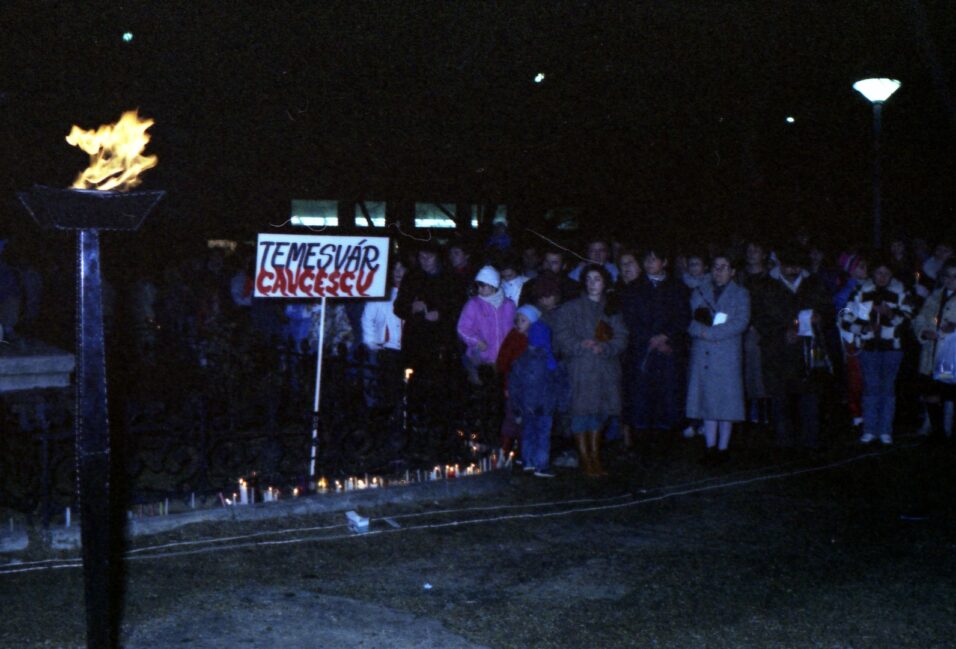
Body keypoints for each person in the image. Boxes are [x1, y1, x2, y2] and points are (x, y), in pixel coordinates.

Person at [751, 245, 835, 450]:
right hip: (777, 354)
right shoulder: (765, 286)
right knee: (780, 400)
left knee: (810, 399)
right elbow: (758, 319)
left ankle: (810, 442)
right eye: (788, 267)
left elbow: (829, 311)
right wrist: (781, 334)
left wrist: (820, 318)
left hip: (809, 351)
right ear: (780, 263)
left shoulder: (814, 283)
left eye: (797, 267)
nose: (793, 271)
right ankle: (784, 442)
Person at [553, 265, 628, 476]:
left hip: (605, 370)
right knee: (580, 414)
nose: (593, 283)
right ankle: (585, 458)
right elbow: (562, 334)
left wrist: (605, 347)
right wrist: (580, 345)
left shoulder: (611, 309)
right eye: (589, 279)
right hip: (580, 369)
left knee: (599, 413)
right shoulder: (571, 308)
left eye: (597, 279)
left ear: (605, 283)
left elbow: (622, 337)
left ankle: (595, 456)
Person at [620, 247, 690, 452]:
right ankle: (642, 442)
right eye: (647, 260)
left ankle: (667, 441)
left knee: (668, 396)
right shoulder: (633, 288)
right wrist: (649, 338)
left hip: (668, 350)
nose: (650, 264)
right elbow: (630, 319)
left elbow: (683, 317)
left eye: (654, 259)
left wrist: (666, 337)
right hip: (642, 350)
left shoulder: (677, 288)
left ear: (664, 262)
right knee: (642, 397)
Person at [839, 257, 915, 444]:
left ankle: (885, 430)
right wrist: (863, 328)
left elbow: (909, 317)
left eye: (886, 273)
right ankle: (870, 429)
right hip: (868, 347)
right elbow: (845, 316)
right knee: (870, 387)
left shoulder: (900, 290)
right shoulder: (861, 289)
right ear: (873, 273)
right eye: (879, 273)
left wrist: (890, 315)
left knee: (887, 388)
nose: (882, 277)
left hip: (892, 348)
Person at [686, 254, 750, 462]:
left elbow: (740, 322)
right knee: (707, 402)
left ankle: (723, 448)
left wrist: (712, 334)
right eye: (715, 267)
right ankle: (710, 446)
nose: (718, 271)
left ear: (732, 272)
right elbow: (690, 319)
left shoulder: (741, 294)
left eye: (724, 267)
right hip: (703, 354)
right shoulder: (699, 292)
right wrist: (700, 332)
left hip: (726, 355)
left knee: (726, 402)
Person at [394, 241, 463, 403]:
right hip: (415, 342)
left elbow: (460, 308)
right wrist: (411, 307)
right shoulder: (412, 277)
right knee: (414, 387)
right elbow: (398, 308)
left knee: (439, 389)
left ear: (437, 258)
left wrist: (441, 315)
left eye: (429, 257)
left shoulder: (451, 278)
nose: (424, 260)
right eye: (421, 256)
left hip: (440, 343)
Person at [509, 320, 569, 477]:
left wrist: (518, 407)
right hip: (544, 405)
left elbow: (514, 385)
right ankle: (541, 466)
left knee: (528, 433)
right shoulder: (550, 360)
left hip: (526, 405)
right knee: (542, 435)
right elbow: (558, 384)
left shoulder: (521, 360)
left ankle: (528, 461)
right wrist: (561, 404)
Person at [911, 259, 956, 442]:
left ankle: (948, 430)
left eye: (955, 276)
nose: (951, 280)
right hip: (932, 352)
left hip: (951, 356)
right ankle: (936, 432)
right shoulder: (935, 296)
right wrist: (924, 331)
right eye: (948, 276)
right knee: (931, 391)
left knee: (949, 393)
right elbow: (920, 318)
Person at [456, 265, 517, 385]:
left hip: (504, 360)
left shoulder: (509, 305)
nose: (479, 290)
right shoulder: (473, 304)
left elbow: (514, 329)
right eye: (478, 286)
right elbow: (462, 328)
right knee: (483, 394)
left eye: (483, 286)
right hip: (481, 361)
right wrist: (476, 341)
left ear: (493, 285)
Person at [361, 259, 407, 409]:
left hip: (409, 348)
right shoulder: (382, 293)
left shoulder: (415, 292)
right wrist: (371, 342)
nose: (398, 272)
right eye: (395, 268)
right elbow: (368, 317)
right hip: (388, 348)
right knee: (389, 389)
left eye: (402, 268)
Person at [496, 304, 540, 456]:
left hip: (533, 389)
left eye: (523, 320)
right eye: (518, 320)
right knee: (511, 418)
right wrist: (507, 386)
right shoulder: (513, 337)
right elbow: (503, 361)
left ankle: (524, 454)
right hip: (514, 387)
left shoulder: (538, 338)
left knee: (528, 421)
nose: (519, 323)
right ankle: (503, 452)